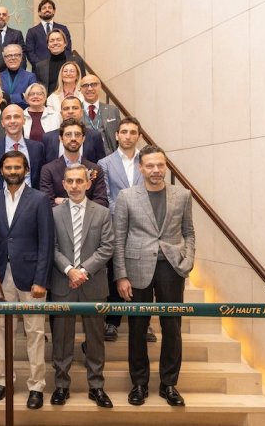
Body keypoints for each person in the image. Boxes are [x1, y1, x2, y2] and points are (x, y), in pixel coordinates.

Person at [114, 144, 196, 407]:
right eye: (150, 165)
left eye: (160, 165)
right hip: (137, 268)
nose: (156, 170)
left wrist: (188, 260)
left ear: (166, 166)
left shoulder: (182, 195)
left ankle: (169, 384)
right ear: (141, 168)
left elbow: (189, 232)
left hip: (172, 268)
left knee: (172, 327)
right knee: (138, 327)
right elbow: (119, 238)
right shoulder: (127, 196)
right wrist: (121, 276)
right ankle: (139, 383)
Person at [0, 149, 53, 408]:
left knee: (35, 332)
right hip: (0, 279)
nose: (12, 171)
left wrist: (41, 280)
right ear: (1, 171)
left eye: (17, 167)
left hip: (32, 279)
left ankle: (37, 386)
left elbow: (46, 243)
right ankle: (4, 381)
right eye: (8, 167)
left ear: (26, 170)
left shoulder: (40, 199)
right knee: (1, 330)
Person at [48, 163, 115, 408]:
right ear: (63, 184)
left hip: (93, 284)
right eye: (70, 181)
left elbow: (107, 247)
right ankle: (61, 385)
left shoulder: (102, 213)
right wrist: (69, 270)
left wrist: (83, 271)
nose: (75, 186)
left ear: (88, 183)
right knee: (61, 339)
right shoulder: (53, 214)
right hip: (63, 282)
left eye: (79, 181)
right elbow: (51, 247)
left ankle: (96, 386)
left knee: (95, 339)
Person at [96, 118, 154, 343]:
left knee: (143, 276)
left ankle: (144, 323)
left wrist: (138, 214)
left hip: (144, 228)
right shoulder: (105, 163)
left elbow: (152, 191)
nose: (128, 136)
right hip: (114, 226)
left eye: (132, 132)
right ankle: (112, 321)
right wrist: (124, 214)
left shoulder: (148, 161)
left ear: (139, 136)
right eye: (124, 132)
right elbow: (105, 195)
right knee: (115, 273)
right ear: (117, 135)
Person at [0, 105, 47, 213]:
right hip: (0, 210)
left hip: (32, 208)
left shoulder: (38, 148)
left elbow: (42, 180)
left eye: (16, 116)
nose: (12, 121)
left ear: (24, 120)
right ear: (2, 123)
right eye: (8, 118)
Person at [39, 119, 109, 207]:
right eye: (68, 134)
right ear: (61, 138)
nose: (73, 138)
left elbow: (102, 202)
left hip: (89, 216)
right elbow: (47, 203)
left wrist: (65, 201)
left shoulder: (95, 169)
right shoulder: (48, 170)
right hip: (60, 216)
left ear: (83, 139)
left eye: (77, 134)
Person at [42, 96, 107, 163]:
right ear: (61, 113)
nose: (70, 111)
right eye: (66, 108)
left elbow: (100, 164)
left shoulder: (95, 136)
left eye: (75, 108)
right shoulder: (48, 138)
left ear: (81, 112)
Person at [24, 0, 74, 69]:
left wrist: (63, 64)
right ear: (39, 13)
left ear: (54, 11)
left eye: (50, 7)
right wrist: (41, 66)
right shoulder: (32, 32)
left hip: (61, 69)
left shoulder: (63, 29)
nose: (47, 10)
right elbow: (30, 53)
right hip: (39, 70)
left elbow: (68, 49)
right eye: (44, 8)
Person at [80, 74, 121, 154]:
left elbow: (120, 136)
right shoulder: (75, 110)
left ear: (100, 87)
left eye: (93, 84)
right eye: (85, 85)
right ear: (80, 89)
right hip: (85, 157)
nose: (90, 88)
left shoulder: (113, 110)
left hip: (109, 156)